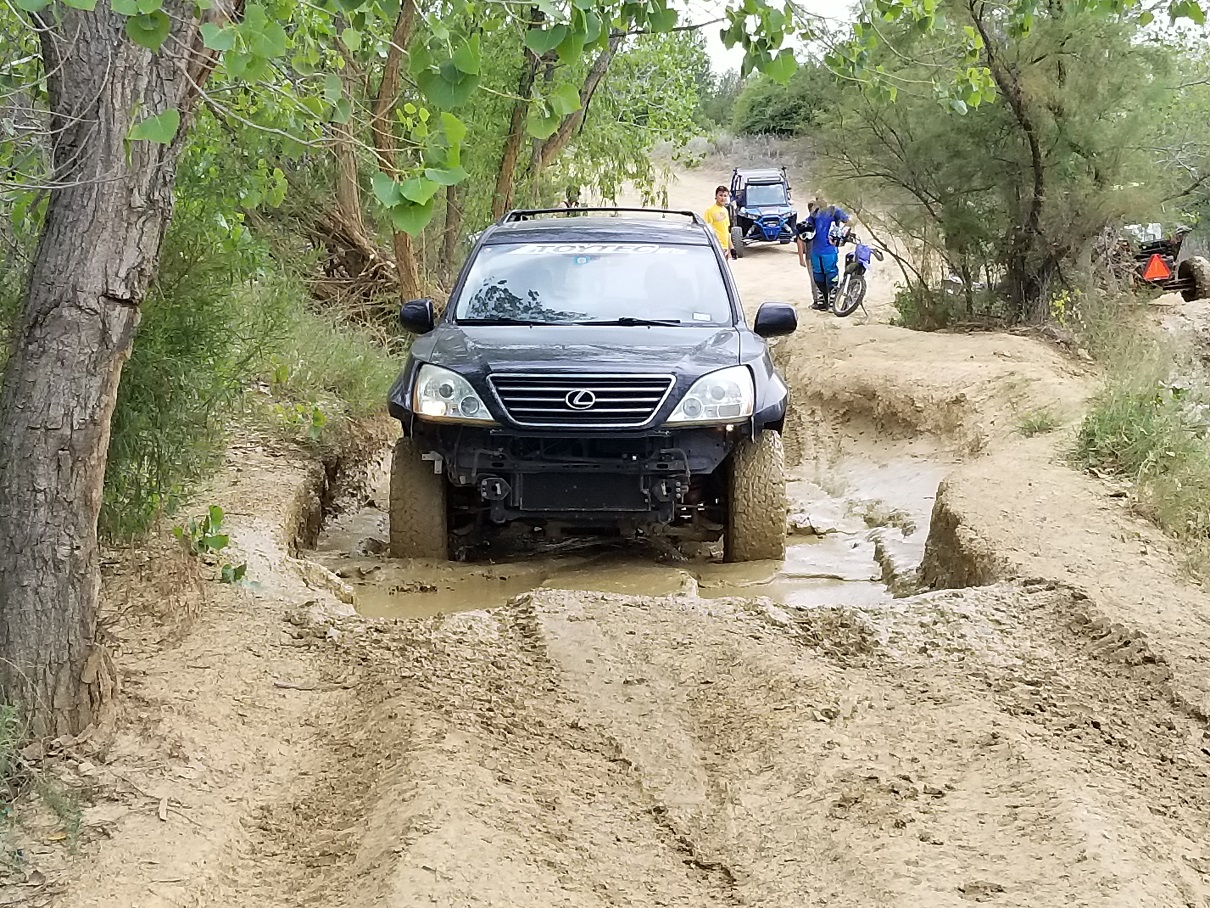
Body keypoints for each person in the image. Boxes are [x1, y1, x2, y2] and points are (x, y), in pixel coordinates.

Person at [796, 198, 851, 310]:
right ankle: (822, 302)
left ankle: (832, 302)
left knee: (831, 275)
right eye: (817, 198)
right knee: (818, 277)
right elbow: (806, 226)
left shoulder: (834, 211)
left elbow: (848, 221)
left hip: (829, 250)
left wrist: (842, 233)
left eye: (822, 197)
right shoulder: (815, 213)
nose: (820, 200)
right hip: (815, 251)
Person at [705, 185, 736, 260]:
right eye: (720, 195)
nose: (723, 198)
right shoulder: (710, 211)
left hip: (725, 248)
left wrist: (732, 248)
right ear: (716, 196)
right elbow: (707, 230)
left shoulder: (725, 211)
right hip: (716, 246)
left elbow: (726, 231)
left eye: (725, 196)